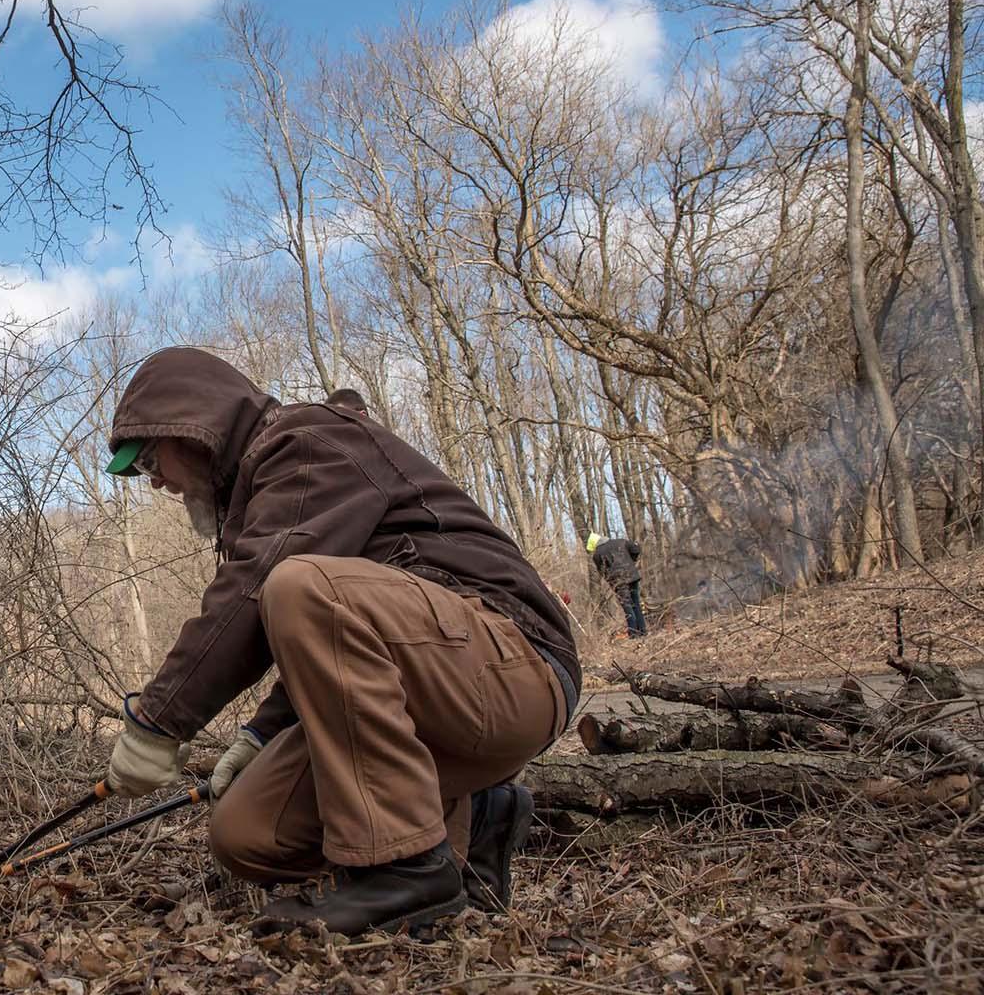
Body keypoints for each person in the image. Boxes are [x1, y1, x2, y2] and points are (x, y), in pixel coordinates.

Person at [99, 348, 578, 936]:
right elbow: (346, 640)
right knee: (246, 833)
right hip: (441, 698)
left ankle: (403, 867)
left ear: (195, 425)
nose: (155, 480)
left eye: (150, 456)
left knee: (297, 584)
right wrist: (259, 736)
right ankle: (475, 824)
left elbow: (269, 592)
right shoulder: (268, 493)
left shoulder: (307, 441)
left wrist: (157, 723)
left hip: (514, 664)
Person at [585, 532, 646, 639]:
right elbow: (636, 549)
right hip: (632, 576)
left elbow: (602, 571)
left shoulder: (597, 555)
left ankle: (634, 633)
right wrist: (632, 561)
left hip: (619, 582)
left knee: (627, 606)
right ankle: (643, 631)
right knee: (636, 603)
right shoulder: (620, 541)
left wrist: (610, 579)